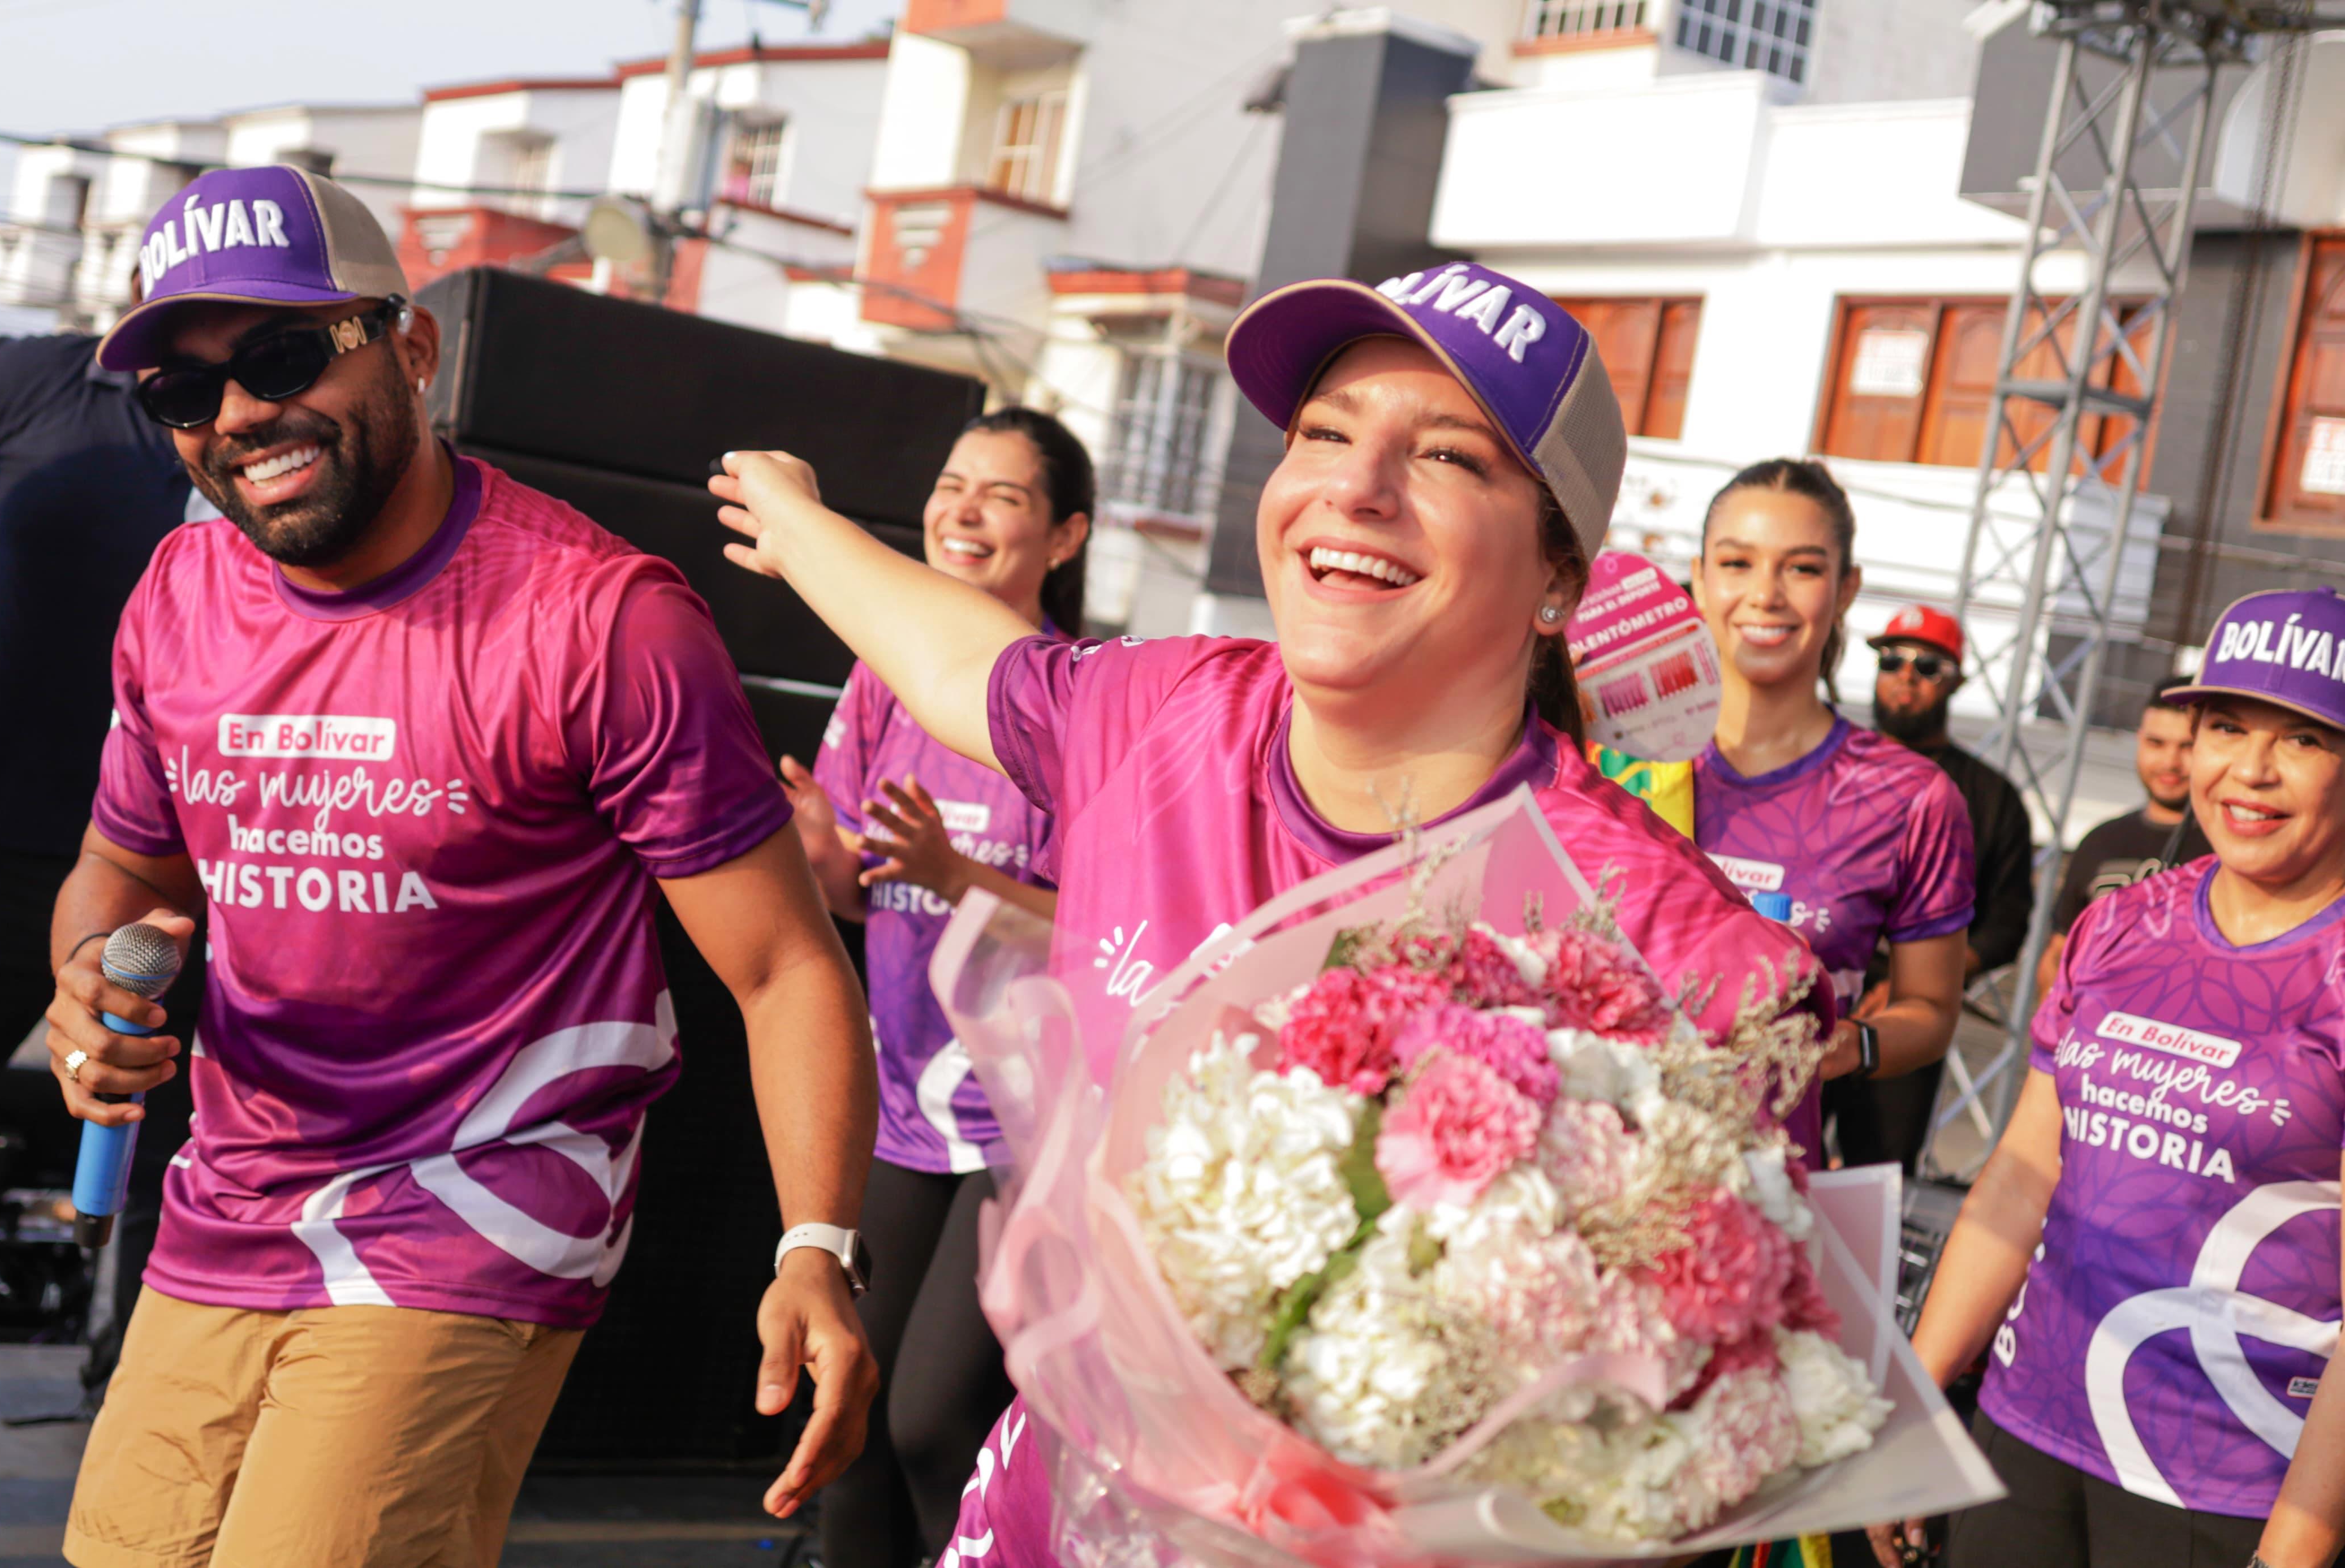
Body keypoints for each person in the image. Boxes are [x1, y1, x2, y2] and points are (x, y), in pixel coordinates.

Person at [708, 260, 1837, 1567]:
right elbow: (956, 655)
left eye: (1448, 456)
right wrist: (789, 519)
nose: (1356, 489)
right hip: (1044, 1523)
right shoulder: (1161, 714)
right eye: (1323, 433)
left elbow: (1722, 1435)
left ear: (1558, 578)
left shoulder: (1680, 955)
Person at [43, 165, 877, 1568]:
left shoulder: (602, 620)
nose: (236, 414)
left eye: (283, 357)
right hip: (227, 1202)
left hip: (477, 1202)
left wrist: (818, 1250)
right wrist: (88, 985)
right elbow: (122, 874)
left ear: (412, 347)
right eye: (185, 391)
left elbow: (786, 965)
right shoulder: (176, 599)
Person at [1875, 586, 2345, 1568]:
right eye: (2226, 727)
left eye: (2304, 739)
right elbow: (2019, 1178)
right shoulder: (2126, 921)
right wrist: (1914, 1405)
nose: (2250, 769)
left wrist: (2298, 1545)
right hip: (2026, 1429)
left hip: (2228, 1484)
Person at [786, 406, 1088, 1568]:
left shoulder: (1079, 704)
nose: (964, 511)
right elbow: (860, 898)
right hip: (900, 1102)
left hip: (1025, 1119)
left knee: (929, 1422)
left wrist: (956, 875)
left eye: (1002, 495)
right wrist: (814, 852)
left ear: (1063, 537)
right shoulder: (880, 678)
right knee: (847, 1416)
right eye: (953, 484)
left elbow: (1101, 935)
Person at [0, 322, 209, 1371]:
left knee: (166, 1137)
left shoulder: (261, 420)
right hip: (7, 834)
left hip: (179, 867)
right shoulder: (35, 378)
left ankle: (130, 1374)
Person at [1688, 460, 1972, 1164]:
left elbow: (1930, 1010)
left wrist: (1850, 1046)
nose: (1764, 595)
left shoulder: (1908, 796)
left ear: (1845, 588)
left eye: (1802, 568)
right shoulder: (1611, 757)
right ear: (1698, 577)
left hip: (1762, 1182)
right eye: (1736, 563)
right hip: (1580, 1165)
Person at [1837, 602, 2034, 1174]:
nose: (1905, 676)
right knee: (1764, 1164)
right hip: (1809, 997)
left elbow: (2006, 924)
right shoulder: (1830, 764)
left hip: (1904, 1019)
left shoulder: (1989, 796)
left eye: (1927, 667)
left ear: (1956, 684)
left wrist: (1916, 985)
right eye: (1891, 661)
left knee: (1872, 1181)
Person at [2033, 676, 2209, 1002]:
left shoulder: (2233, 850)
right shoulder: (2102, 841)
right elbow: (2060, 951)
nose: (2171, 762)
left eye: (2188, 747)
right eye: (2156, 743)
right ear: (2139, 740)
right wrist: (2058, 1018)